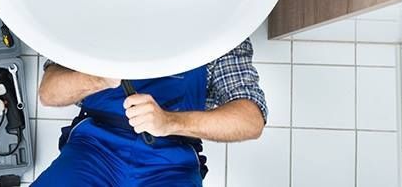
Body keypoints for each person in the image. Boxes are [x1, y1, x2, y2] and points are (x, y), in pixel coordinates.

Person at [32, 39, 267, 186]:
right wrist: (100, 77)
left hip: (171, 164)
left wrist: (169, 122)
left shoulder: (220, 31)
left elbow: (250, 119)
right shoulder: (95, 12)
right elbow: (49, 92)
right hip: (93, 150)